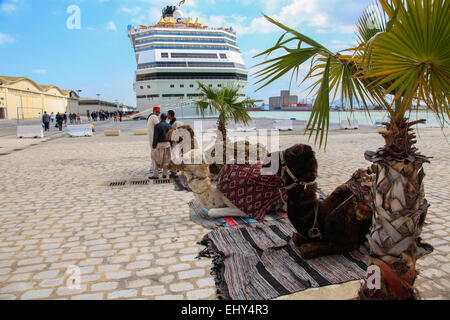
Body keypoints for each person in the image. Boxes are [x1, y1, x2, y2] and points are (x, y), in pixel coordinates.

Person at [150, 113, 172, 180]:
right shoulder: (169, 126)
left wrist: (153, 145)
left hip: (159, 145)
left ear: (160, 118)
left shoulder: (157, 126)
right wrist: (171, 144)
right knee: (166, 160)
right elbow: (171, 137)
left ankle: (156, 175)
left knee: (155, 159)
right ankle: (165, 174)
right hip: (167, 144)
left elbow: (155, 137)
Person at [147, 106, 161, 174]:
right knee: (156, 153)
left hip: (151, 138)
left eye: (159, 112)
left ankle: (152, 167)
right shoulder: (154, 117)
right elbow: (159, 126)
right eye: (157, 112)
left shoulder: (150, 117)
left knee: (154, 153)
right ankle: (153, 168)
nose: (158, 113)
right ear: (154, 111)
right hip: (154, 139)